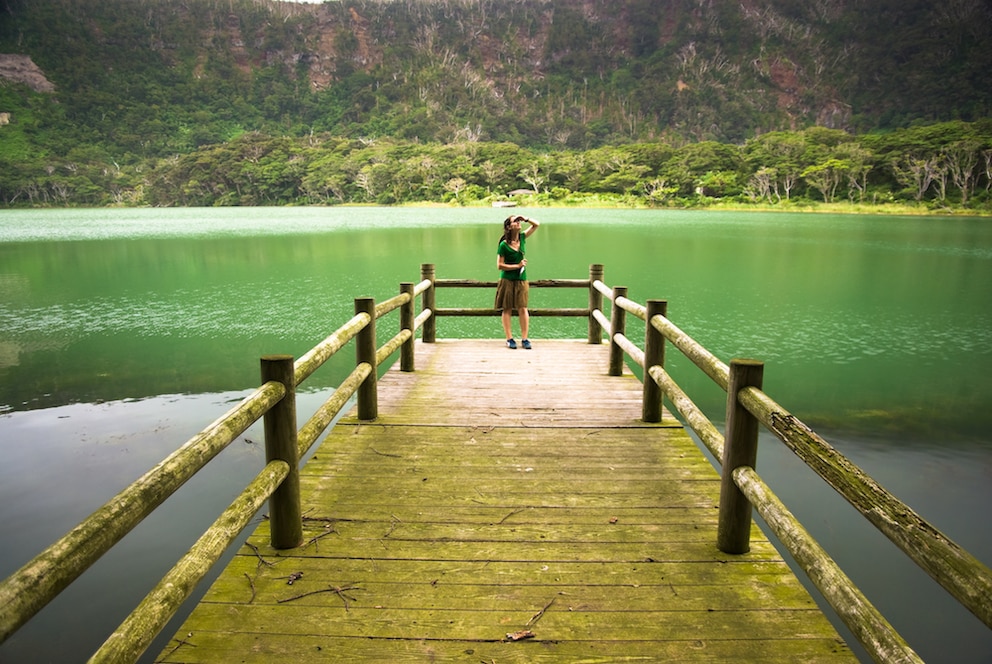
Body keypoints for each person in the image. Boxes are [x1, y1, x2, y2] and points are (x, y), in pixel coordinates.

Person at [495, 214, 540, 349]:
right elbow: (499, 265)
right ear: (509, 226)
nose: (519, 223)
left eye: (519, 221)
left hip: (521, 279)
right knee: (507, 308)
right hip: (507, 279)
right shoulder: (503, 245)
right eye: (515, 221)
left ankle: (525, 339)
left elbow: (536, 224)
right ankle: (509, 338)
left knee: (523, 308)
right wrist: (517, 266)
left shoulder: (522, 238)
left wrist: (525, 218)